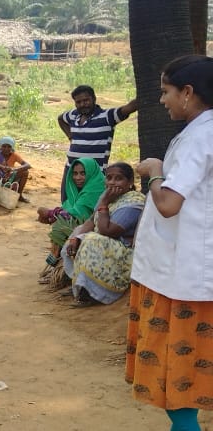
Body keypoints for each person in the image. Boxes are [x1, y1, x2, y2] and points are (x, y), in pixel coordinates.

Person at [123, 56, 213, 431]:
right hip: (190, 272)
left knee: (180, 387)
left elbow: (169, 204)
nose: (162, 101)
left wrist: (155, 173)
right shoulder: (202, 132)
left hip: (184, 282)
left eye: (166, 92)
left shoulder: (199, 137)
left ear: (188, 93)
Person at [58, 162, 144, 307]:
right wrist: (74, 239)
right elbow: (91, 221)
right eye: (109, 178)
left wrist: (104, 203)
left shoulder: (134, 202)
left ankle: (96, 293)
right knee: (78, 235)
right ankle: (81, 285)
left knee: (91, 240)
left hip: (125, 252)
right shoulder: (109, 197)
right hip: (107, 245)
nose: (112, 182)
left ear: (130, 182)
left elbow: (107, 231)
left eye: (118, 178)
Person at [57, 85, 137, 202]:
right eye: (78, 102)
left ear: (94, 99)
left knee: (89, 207)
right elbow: (60, 118)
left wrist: (147, 91)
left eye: (86, 100)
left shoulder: (107, 117)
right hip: (71, 170)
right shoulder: (73, 115)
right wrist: (70, 136)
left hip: (94, 174)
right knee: (68, 203)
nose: (82, 104)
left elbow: (129, 108)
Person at [37, 158, 105, 287]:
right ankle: (59, 268)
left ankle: (61, 271)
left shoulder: (94, 189)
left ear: (90, 173)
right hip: (83, 226)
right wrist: (54, 214)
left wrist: (51, 214)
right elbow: (70, 210)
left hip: (97, 230)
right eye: (75, 173)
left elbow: (78, 214)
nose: (78, 177)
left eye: (83, 173)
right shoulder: (78, 193)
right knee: (61, 222)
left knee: (61, 226)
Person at [0, 136, 32, 202]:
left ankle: (19, 195)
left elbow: (28, 165)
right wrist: (2, 167)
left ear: (12, 147)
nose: (6, 149)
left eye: (9, 146)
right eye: (4, 146)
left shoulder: (14, 155)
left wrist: (14, 169)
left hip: (9, 177)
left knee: (25, 172)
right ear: (0, 147)